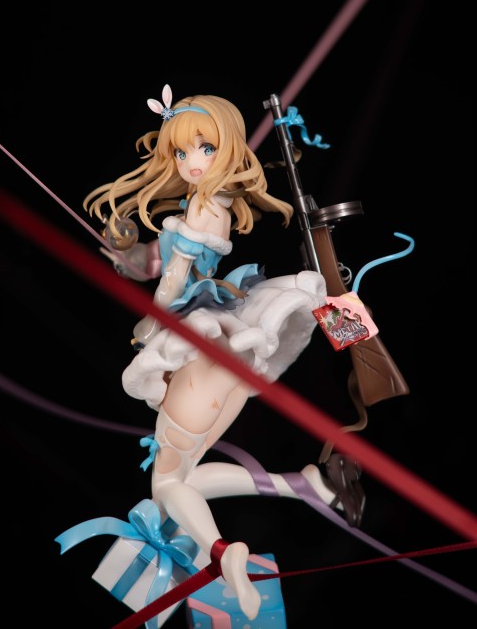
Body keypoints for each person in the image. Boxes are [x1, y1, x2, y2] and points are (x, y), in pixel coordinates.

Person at [83, 85, 364, 621]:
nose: (191, 162)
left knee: (167, 486)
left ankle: (221, 554)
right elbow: (156, 262)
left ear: (228, 147)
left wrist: (150, 317)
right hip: (225, 360)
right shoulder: (207, 206)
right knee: (182, 478)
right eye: (181, 151)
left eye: (205, 148)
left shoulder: (203, 211)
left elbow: (171, 287)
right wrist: (127, 254)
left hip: (199, 355)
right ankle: (305, 486)